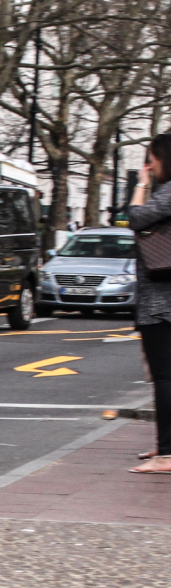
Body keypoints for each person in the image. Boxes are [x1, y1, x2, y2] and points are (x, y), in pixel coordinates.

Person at [128, 135, 171, 472]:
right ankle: (164, 448)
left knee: (165, 377)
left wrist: (140, 185)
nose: (150, 166)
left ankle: (167, 454)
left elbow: (136, 218)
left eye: (152, 159)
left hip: (162, 302)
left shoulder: (169, 194)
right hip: (161, 301)